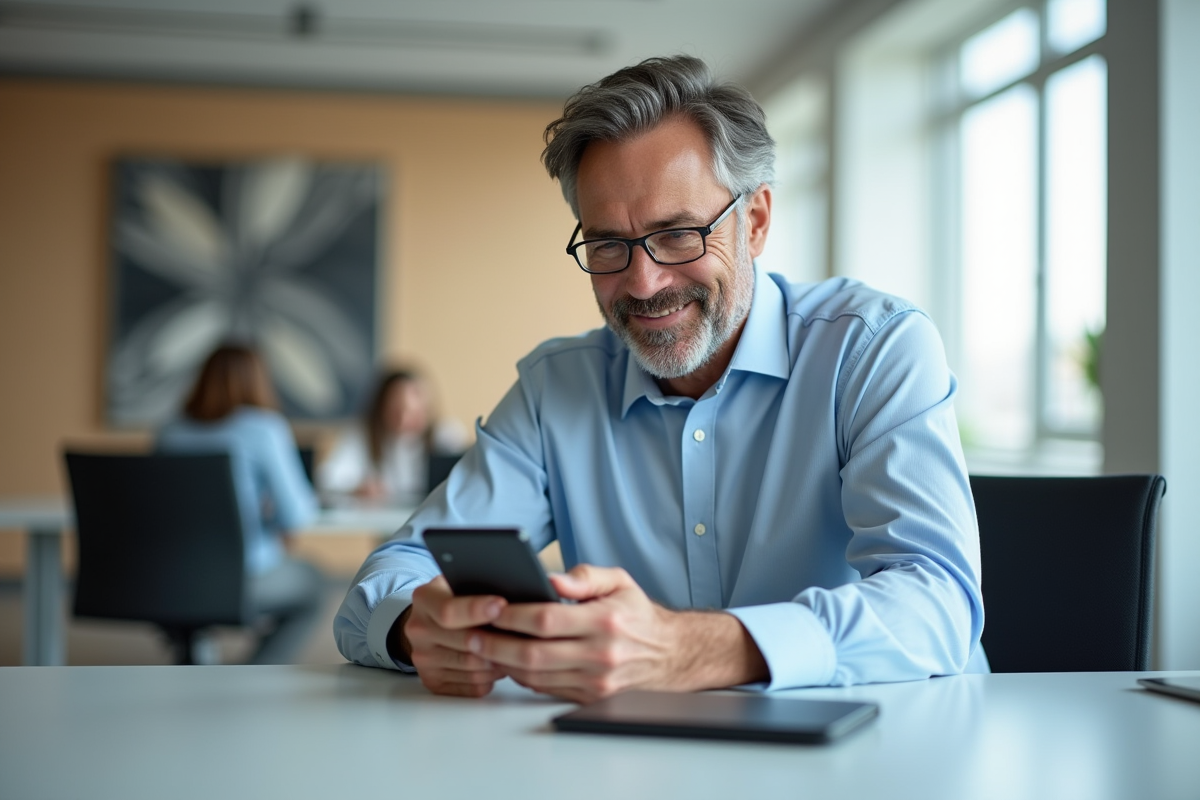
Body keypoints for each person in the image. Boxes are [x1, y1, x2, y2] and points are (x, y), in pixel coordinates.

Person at [334, 55, 986, 701]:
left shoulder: (874, 350)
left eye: (678, 235)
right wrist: (420, 632)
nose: (644, 283)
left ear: (754, 221)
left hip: (884, 746)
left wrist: (689, 649)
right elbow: (386, 580)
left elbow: (937, 603)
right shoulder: (554, 391)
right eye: (608, 245)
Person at [159, 343, 323, 665]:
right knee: (314, 586)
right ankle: (254, 672)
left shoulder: (170, 431)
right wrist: (265, 512)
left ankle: (193, 656)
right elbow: (298, 516)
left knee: (194, 592)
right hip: (241, 578)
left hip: (173, 575)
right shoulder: (264, 428)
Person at [318, 368, 468, 501]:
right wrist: (356, 488)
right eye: (397, 411)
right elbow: (327, 478)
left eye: (413, 412)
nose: (404, 420)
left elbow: (466, 479)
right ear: (381, 407)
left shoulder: (445, 434)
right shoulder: (361, 434)